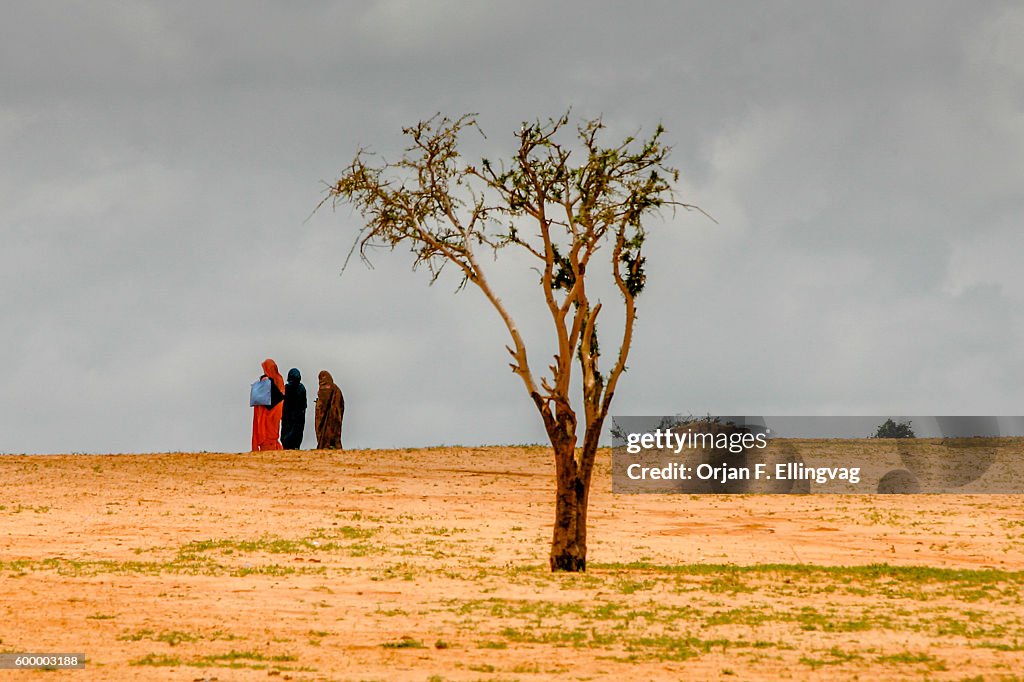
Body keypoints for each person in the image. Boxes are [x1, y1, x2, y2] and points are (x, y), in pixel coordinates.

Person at [252, 358, 285, 451]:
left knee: (269, 435)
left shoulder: (269, 382)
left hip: (271, 414)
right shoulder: (273, 381)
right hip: (273, 413)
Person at [315, 370, 345, 449]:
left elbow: (323, 405)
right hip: (335, 420)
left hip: (332, 419)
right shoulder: (336, 389)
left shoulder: (325, 389)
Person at [281, 368, 307, 450]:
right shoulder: (301, 388)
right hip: (297, 417)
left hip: (288, 417)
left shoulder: (286, 388)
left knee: (287, 436)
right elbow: (304, 404)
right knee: (296, 436)